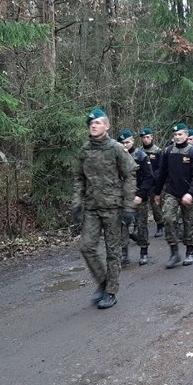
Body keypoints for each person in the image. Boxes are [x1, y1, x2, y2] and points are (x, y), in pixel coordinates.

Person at [72, 108, 137, 309]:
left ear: (107, 126)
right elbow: (79, 179)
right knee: (86, 246)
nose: (93, 125)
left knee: (113, 251)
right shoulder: (84, 150)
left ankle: (111, 291)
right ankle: (102, 281)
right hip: (92, 207)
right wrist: (76, 202)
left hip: (113, 208)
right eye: (91, 123)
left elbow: (130, 175)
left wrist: (128, 207)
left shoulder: (116, 148)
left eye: (98, 123)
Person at [153, 123, 193, 268]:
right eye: (175, 135)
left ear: (187, 136)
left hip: (189, 194)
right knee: (168, 218)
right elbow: (162, 173)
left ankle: (189, 252)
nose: (177, 137)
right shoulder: (168, 151)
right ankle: (174, 251)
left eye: (180, 134)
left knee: (189, 223)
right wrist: (157, 192)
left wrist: (191, 193)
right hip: (172, 192)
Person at [118, 129, 154, 266]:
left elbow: (148, 177)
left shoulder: (141, 156)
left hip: (139, 196)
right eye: (122, 143)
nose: (125, 145)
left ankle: (143, 252)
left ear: (132, 141)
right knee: (123, 225)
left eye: (127, 142)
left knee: (141, 224)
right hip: (122, 198)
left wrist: (141, 194)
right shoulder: (117, 157)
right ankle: (124, 253)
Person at [138, 127, 165, 237]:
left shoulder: (157, 151)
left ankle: (160, 225)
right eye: (144, 137)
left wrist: (156, 179)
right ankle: (138, 228)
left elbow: (161, 167)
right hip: (143, 183)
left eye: (147, 137)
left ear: (152, 137)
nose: (145, 139)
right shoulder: (139, 151)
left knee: (155, 206)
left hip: (154, 183)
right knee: (140, 206)